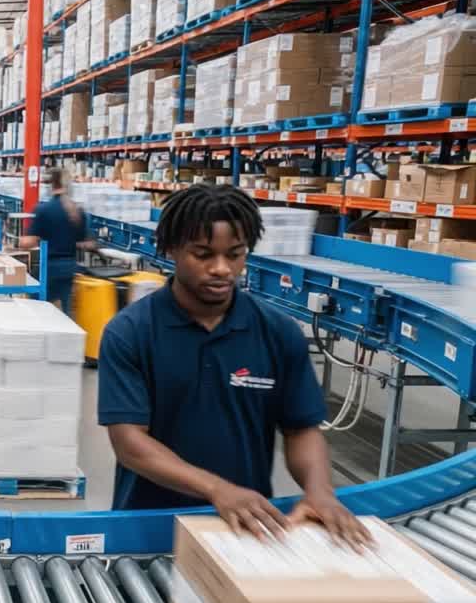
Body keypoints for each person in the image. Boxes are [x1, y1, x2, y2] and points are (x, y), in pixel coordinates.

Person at [97, 184, 371, 548]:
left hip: (245, 529)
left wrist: (319, 490)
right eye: (203, 254)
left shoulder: (277, 332)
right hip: (148, 528)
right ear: (171, 250)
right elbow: (130, 443)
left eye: (235, 254)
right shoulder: (131, 333)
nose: (222, 269)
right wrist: (217, 489)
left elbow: (300, 429)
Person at [18, 167, 93, 316]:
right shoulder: (77, 211)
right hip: (71, 269)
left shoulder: (44, 210)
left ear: (51, 185)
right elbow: (87, 243)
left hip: (49, 269)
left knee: (34, 306)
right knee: (67, 314)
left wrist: (21, 240)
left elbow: (28, 243)